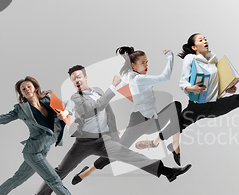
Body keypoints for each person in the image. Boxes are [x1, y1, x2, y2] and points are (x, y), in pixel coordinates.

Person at [22, 65, 192, 195]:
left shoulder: (97, 91)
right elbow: (96, 108)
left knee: (129, 156)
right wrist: (113, 86)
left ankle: (168, 172)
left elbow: (108, 112)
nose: (76, 80)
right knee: (61, 170)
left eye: (79, 77)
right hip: (84, 143)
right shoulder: (76, 98)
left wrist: (112, 132)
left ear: (85, 77)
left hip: (103, 139)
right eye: (73, 79)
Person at [136, 33, 239, 164]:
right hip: (197, 105)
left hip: (214, 104)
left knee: (235, 100)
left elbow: (217, 84)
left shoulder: (213, 60)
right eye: (201, 40)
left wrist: (228, 89)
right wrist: (192, 88)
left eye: (205, 39)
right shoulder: (190, 58)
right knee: (178, 125)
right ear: (194, 47)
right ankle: (154, 143)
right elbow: (183, 82)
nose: (205, 41)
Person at [73, 46, 184, 183]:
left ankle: (173, 144)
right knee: (117, 152)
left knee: (176, 106)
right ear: (133, 65)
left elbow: (122, 81)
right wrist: (170, 57)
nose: (146, 65)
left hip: (152, 122)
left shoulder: (129, 76)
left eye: (147, 62)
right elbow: (165, 77)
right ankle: (88, 171)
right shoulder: (139, 79)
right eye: (142, 62)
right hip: (138, 121)